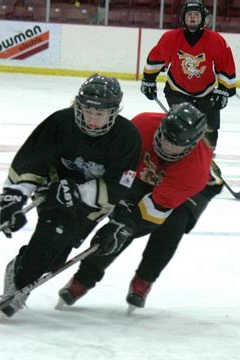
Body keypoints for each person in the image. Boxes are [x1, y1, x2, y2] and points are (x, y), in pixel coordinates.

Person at [0, 74, 142, 318]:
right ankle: (19, 285)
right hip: (53, 192)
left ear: (114, 111)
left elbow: (119, 184)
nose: (93, 119)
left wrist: (78, 192)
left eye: (100, 113)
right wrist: (14, 198)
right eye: (87, 111)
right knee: (52, 235)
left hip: (91, 205)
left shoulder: (127, 136)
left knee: (56, 259)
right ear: (78, 105)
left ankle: (19, 267)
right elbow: (31, 160)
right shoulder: (60, 122)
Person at [57, 102, 221, 312]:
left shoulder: (195, 171)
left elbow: (153, 210)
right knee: (119, 222)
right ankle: (84, 278)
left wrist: (125, 227)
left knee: (168, 226)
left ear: (192, 144)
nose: (168, 147)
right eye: (165, 139)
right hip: (149, 176)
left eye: (177, 145)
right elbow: (118, 167)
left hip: (193, 191)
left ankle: (144, 280)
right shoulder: (142, 125)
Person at [140, 0, 236, 149]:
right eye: (189, 14)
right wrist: (149, 80)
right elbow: (156, 58)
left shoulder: (216, 40)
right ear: (183, 18)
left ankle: (207, 158)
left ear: (203, 18)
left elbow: (225, 64)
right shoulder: (171, 38)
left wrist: (224, 89)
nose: (192, 18)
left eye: (196, 15)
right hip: (177, 90)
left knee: (210, 130)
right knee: (180, 127)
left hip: (207, 92)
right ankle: (178, 156)